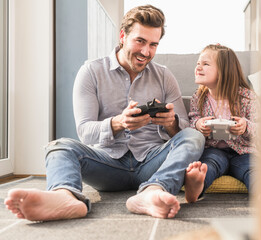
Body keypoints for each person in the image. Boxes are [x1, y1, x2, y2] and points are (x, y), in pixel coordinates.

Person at [4, 5, 205, 220]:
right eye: (140, 41)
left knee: (194, 135)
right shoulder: (91, 72)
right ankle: (65, 196)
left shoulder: (164, 76)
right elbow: (84, 132)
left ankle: (154, 191)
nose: (146, 52)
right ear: (122, 36)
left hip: (152, 162)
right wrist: (119, 123)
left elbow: (183, 126)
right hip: (107, 165)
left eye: (153, 44)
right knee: (59, 146)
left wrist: (170, 123)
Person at [184, 44, 259, 203]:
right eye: (198, 63)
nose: (198, 67)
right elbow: (192, 119)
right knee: (209, 164)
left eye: (205, 64)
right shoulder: (199, 97)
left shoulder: (247, 97)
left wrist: (246, 126)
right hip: (214, 149)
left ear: (224, 71)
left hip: (244, 151)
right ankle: (197, 186)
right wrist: (198, 125)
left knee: (252, 169)